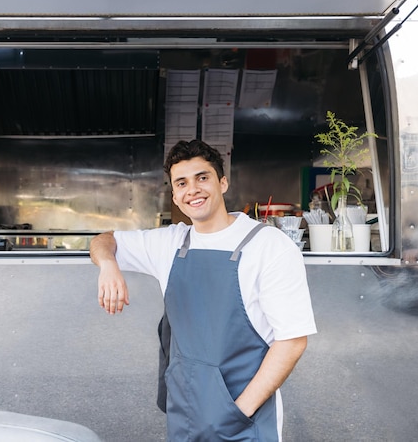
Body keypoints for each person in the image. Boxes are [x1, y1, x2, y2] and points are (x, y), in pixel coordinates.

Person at [90, 139, 317, 441]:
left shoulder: (269, 246)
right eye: (181, 183)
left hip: (242, 422)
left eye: (202, 178)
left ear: (222, 182)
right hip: (185, 416)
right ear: (175, 195)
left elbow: (292, 342)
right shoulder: (170, 243)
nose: (192, 190)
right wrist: (108, 265)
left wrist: (236, 413)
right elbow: (104, 240)